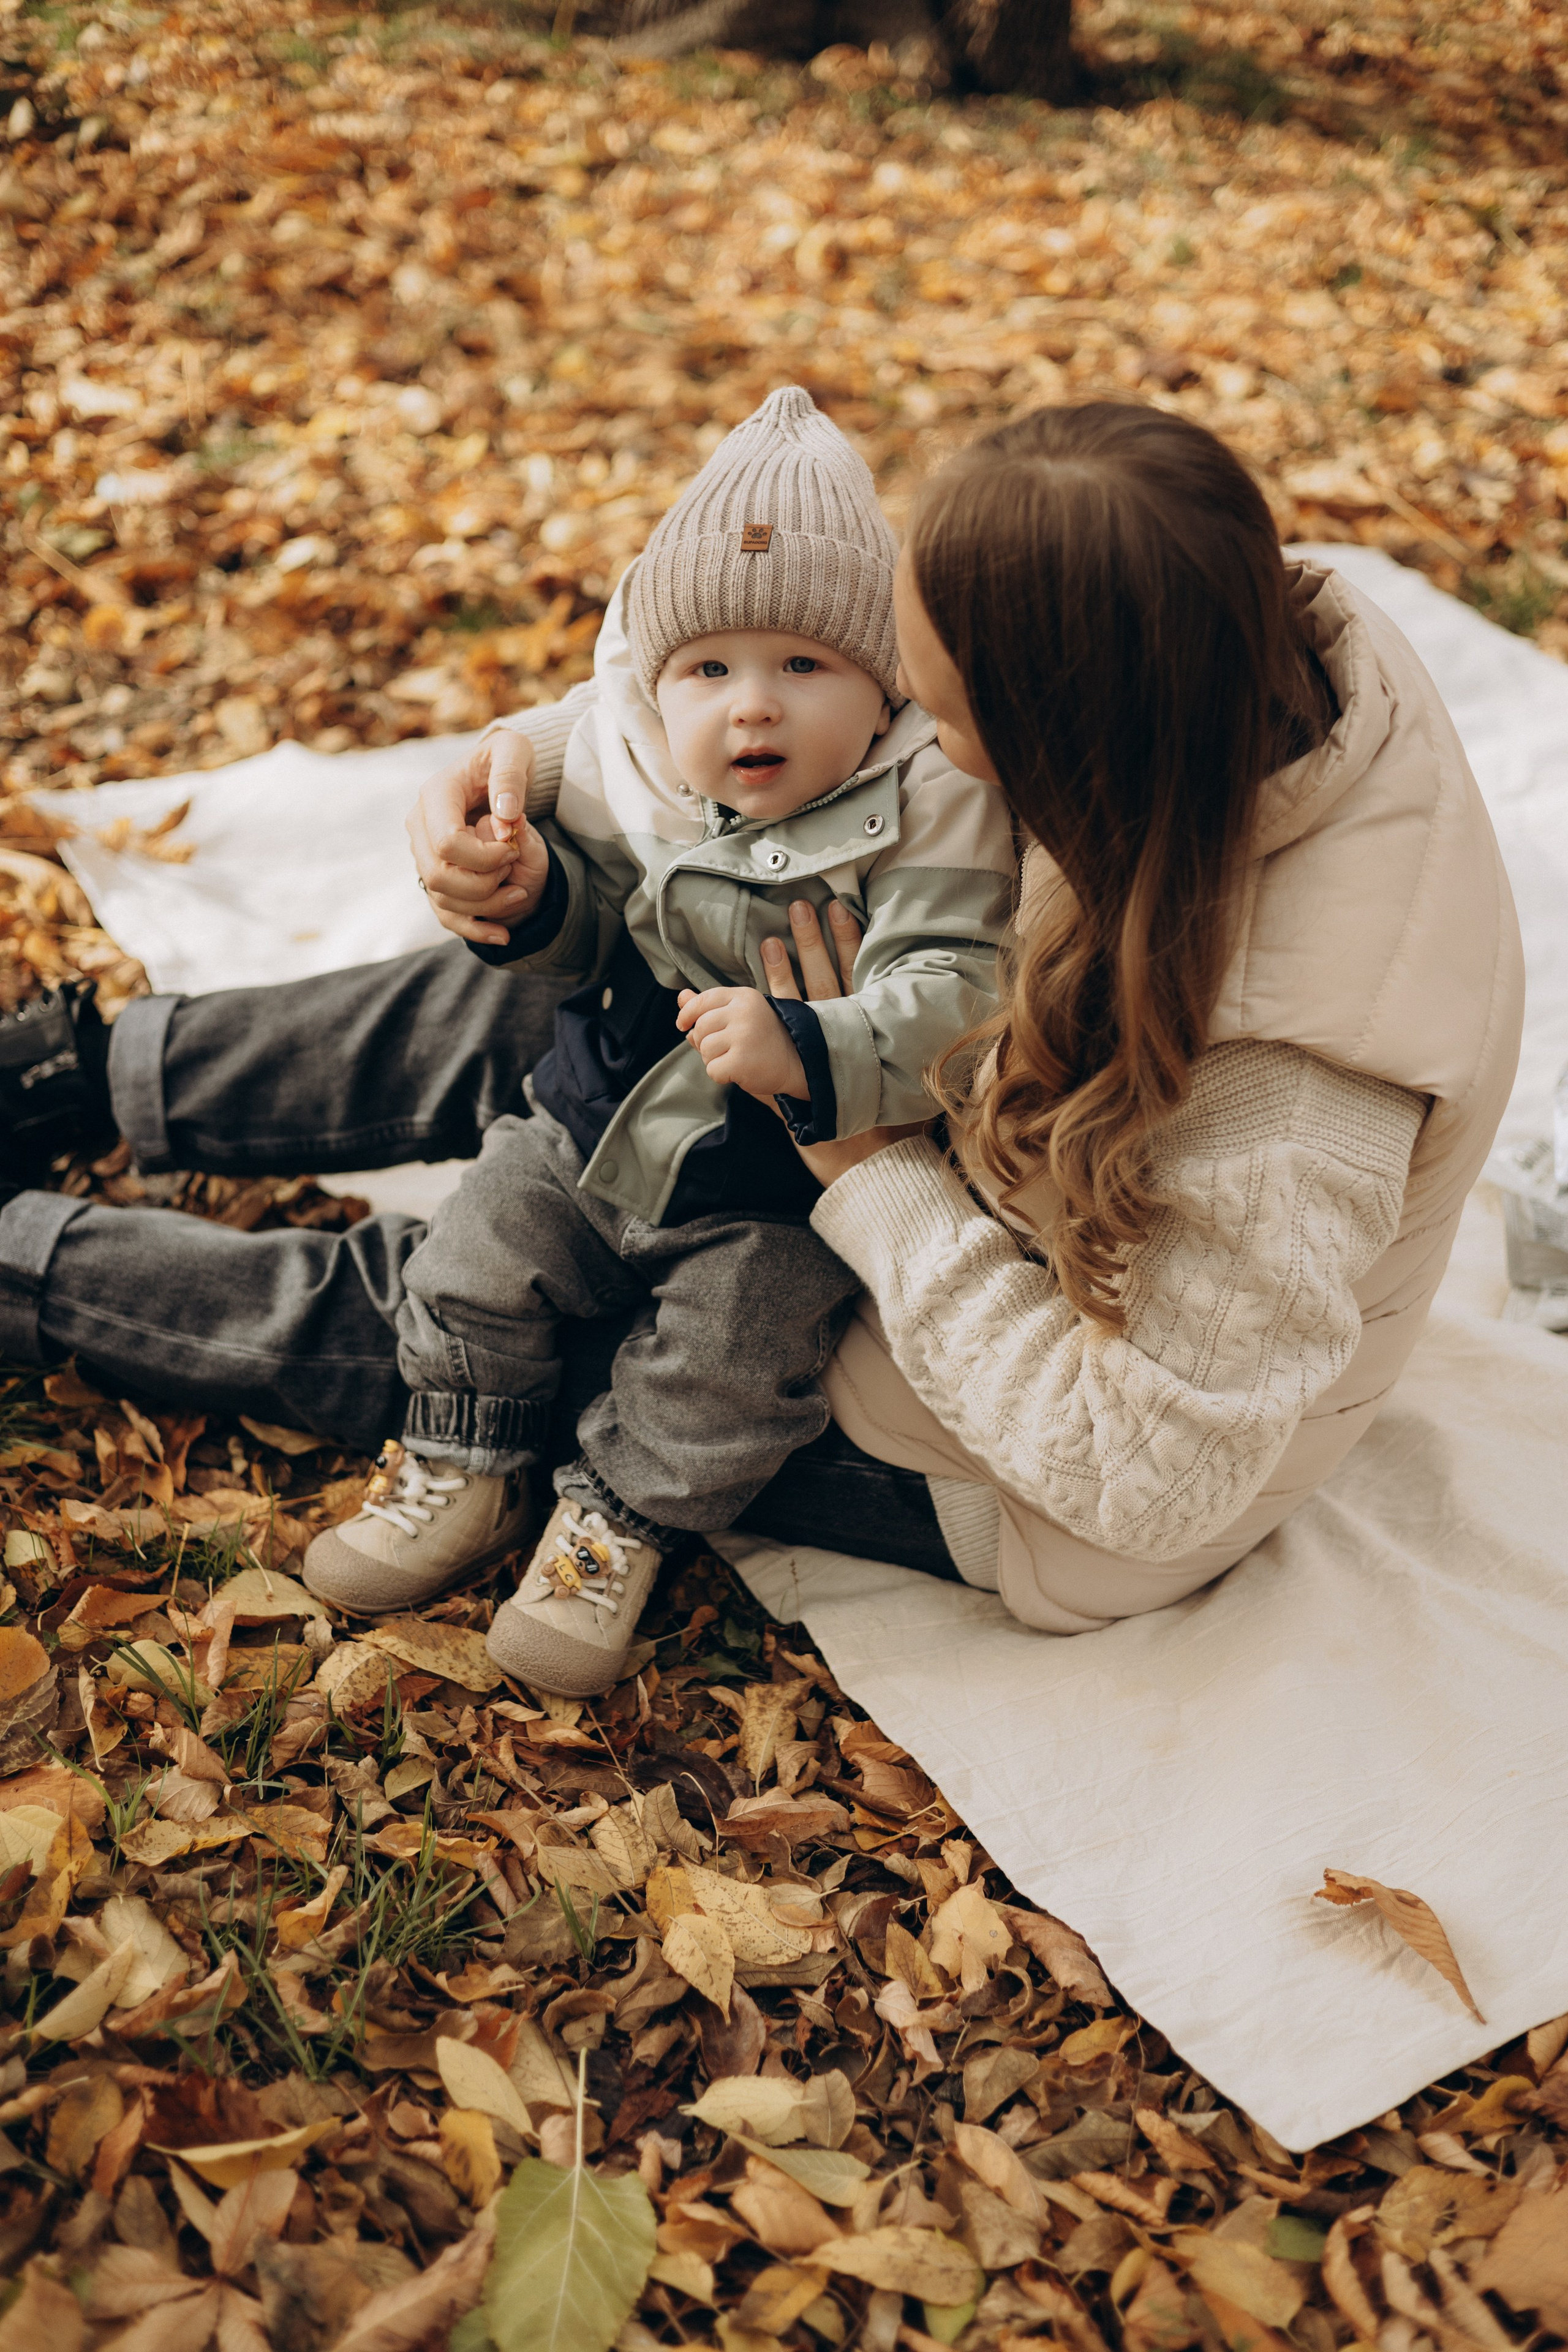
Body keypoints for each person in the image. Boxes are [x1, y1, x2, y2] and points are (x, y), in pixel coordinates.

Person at [0, 401, 1522, 1646]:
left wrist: (860, 1165)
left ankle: (32, 1265)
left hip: (995, 1429)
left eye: (961, 728)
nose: (939, 757)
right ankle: (70, 1073)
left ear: (1064, 744)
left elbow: (1147, 1480)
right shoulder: (1220, 639)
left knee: (490, 1295)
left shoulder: (1285, 1093)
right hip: (947, 1099)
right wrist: (514, 773)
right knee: (589, 984)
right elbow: (808, 739)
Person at [300, 386, 1010, 1694]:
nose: (752, 710)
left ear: (881, 692)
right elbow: (593, 937)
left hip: (775, 1192)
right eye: (709, 670)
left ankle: (611, 1524)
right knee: (475, 1254)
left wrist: (814, 1036)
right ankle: (461, 1467)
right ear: (657, 683)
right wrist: (536, 902)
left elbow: (957, 996)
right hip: (592, 1122)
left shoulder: (929, 815)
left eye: (804, 667)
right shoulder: (647, 784)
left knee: (729, 1362)